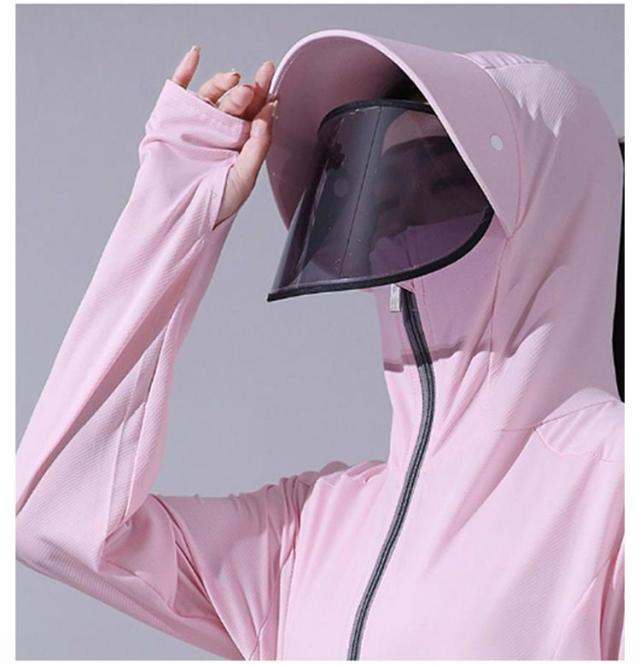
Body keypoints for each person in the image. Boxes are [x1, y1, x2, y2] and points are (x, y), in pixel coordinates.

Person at [16, 29, 624, 661]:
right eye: (383, 192)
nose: (398, 230)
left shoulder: (612, 491)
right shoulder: (313, 528)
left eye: (441, 185)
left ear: (557, 215)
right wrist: (181, 206)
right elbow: (54, 520)